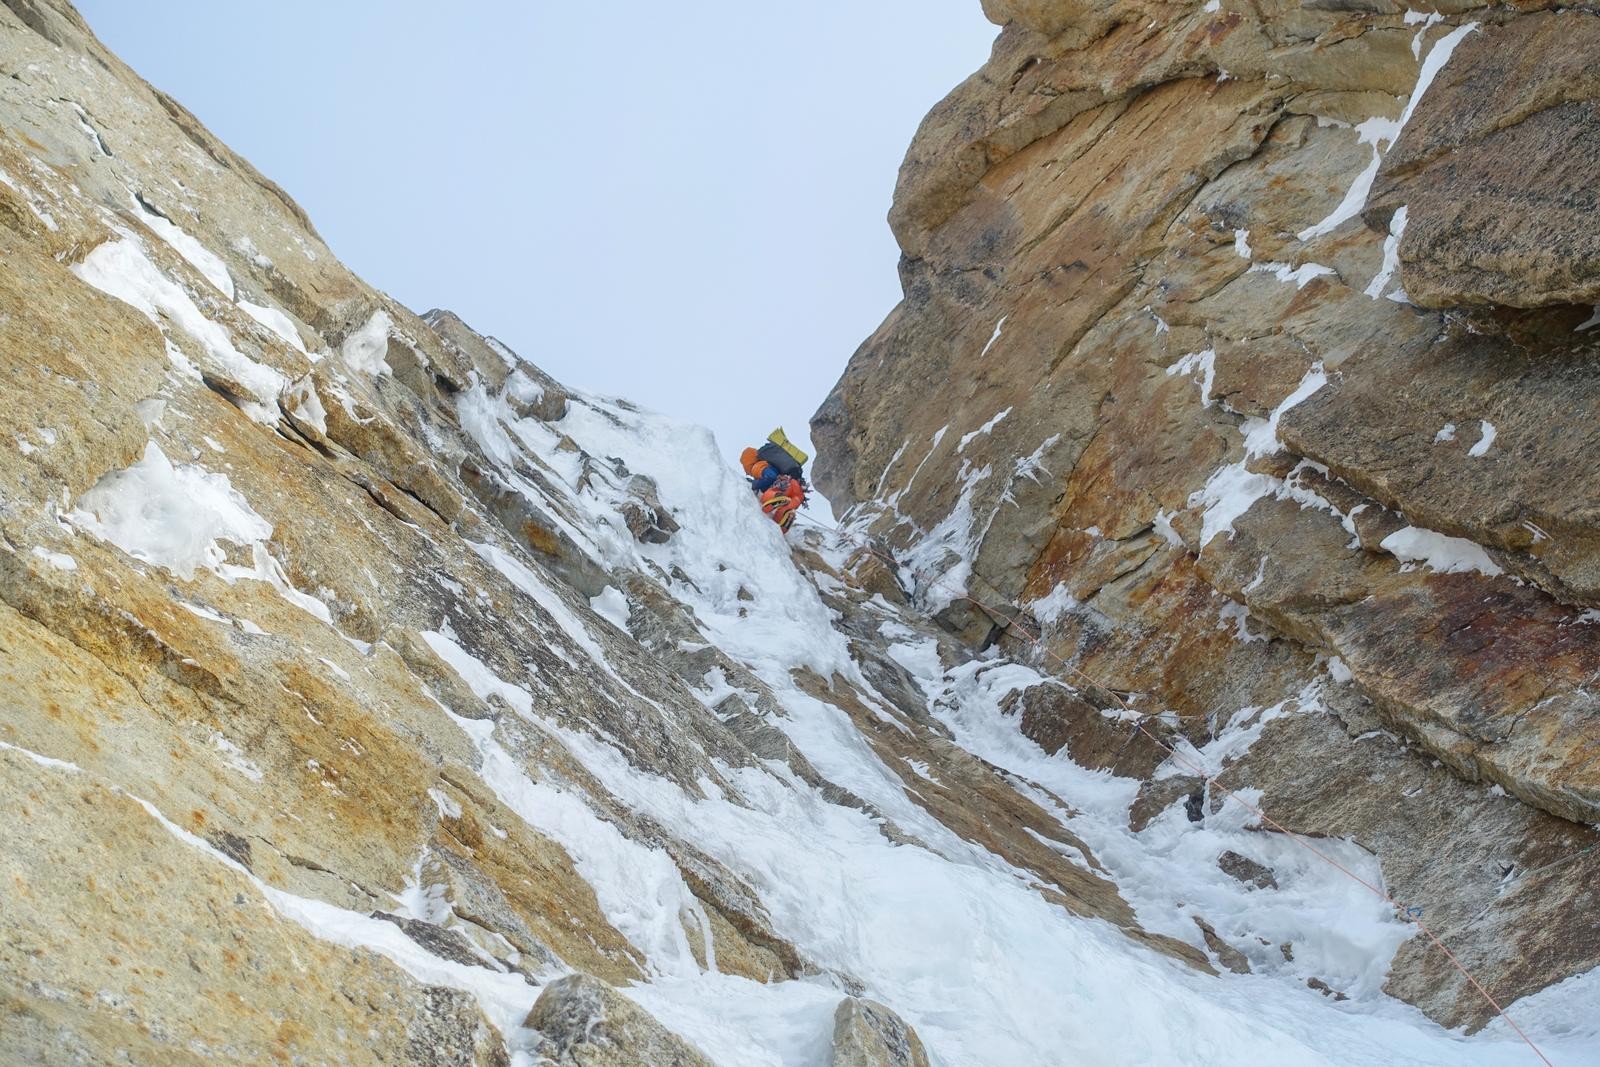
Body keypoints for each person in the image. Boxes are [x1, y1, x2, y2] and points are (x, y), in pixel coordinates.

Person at [740, 428, 809, 532]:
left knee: (769, 497)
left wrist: (753, 485)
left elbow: (770, 476)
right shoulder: (780, 469)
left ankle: (776, 499)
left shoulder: (758, 465)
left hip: (783, 487)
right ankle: (782, 523)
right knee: (787, 506)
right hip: (795, 488)